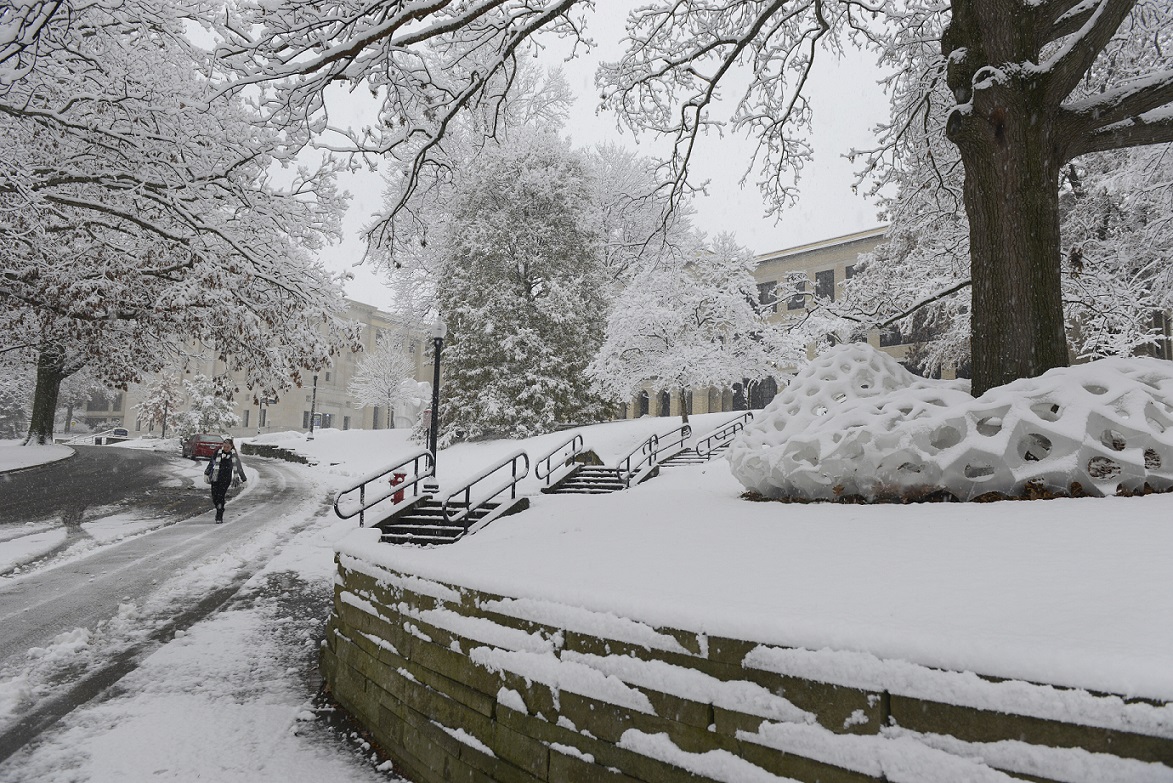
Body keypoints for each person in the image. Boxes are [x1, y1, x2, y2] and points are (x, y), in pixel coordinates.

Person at [204, 437, 247, 523]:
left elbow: (239, 468)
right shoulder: (218, 453)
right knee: (214, 497)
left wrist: (244, 479)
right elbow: (211, 463)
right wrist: (206, 473)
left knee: (220, 496)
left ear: (231, 447)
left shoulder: (233, 456)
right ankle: (219, 507)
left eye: (228, 447)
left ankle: (219, 515)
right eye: (224, 446)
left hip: (225, 479)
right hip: (215, 478)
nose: (226, 448)